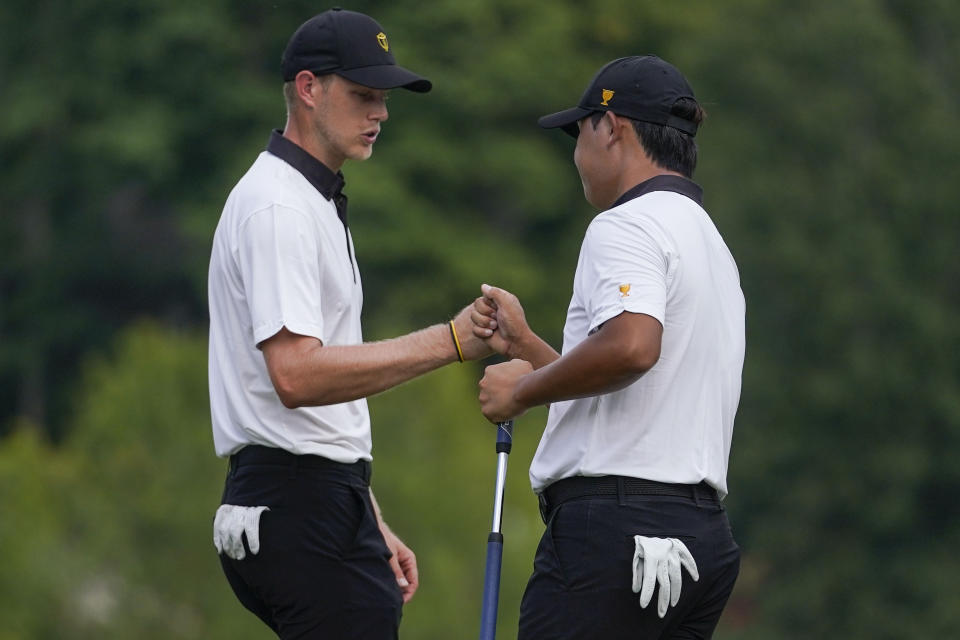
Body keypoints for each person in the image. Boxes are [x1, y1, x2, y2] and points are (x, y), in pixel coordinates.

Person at [207, 9, 489, 639]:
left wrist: (366, 510)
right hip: (300, 503)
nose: (380, 113)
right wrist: (449, 341)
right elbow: (297, 376)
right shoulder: (280, 206)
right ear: (309, 89)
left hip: (305, 496)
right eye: (364, 95)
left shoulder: (306, 198)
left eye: (383, 99)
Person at [471, 55, 745, 639]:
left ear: (611, 127)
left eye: (578, 132)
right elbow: (633, 393)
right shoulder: (710, 243)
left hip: (616, 537)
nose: (575, 154)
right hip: (700, 541)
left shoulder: (627, 224)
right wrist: (529, 346)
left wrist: (520, 391)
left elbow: (631, 350)